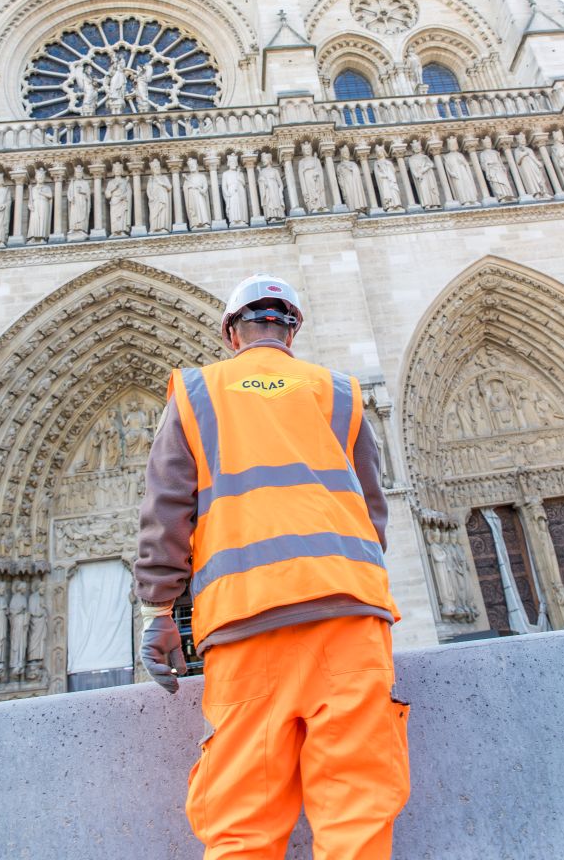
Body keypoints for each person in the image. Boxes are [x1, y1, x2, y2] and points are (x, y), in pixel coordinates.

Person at [134, 274, 409, 860]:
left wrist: (160, 612)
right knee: (358, 811)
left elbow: (166, 511)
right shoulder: (339, 391)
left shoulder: (197, 392)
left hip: (244, 626)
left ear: (232, 331)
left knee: (242, 825)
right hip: (349, 621)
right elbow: (372, 510)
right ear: (292, 330)